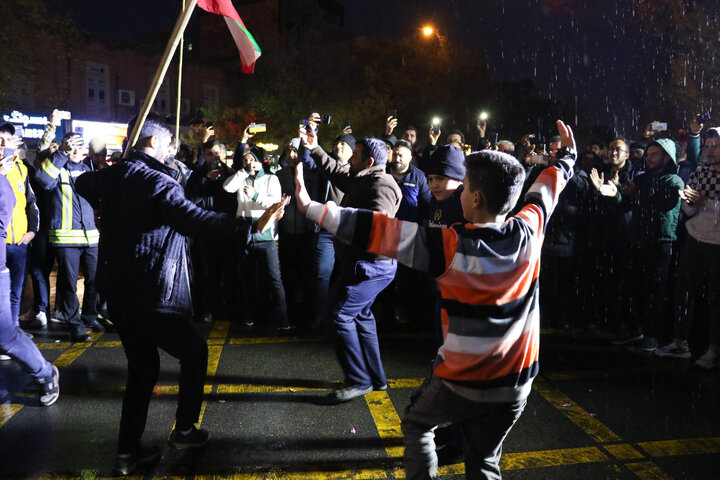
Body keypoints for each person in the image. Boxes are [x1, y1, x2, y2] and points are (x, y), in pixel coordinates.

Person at [296, 120, 578, 480]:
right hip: (515, 383)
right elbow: (545, 190)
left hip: (463, 379)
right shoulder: (530, 229)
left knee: (415, 423)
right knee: (485, 461)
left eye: (466, 187)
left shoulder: (450, 245)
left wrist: (311, 207)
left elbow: (381, 231)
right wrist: (566, 158)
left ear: (475, 198)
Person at [74, 113, 287, 476]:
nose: (174, 151)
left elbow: (83, 183)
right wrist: (250, 226)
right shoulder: (158, 183)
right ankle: (185, 430)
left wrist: (124, 172)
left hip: (119, 292)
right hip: (151, 290)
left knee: (143, 370)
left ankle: (127, 453)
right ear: (154, 143)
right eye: (170, 144)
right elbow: (193, 220)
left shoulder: (114, 175)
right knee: (193, 352)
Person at [299, 117, 401, 402]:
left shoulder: (381, 186)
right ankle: (376, 377)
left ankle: (359, 379)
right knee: (361, 316)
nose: (348, 159)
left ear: (368, 161)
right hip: (365, 264)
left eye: (354, 156)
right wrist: (316, 148)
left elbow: (377, 226)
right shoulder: (363, 178)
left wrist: (340, 227)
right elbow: (336, 172)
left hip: (370, 266)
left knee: (338, 316)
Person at [0, 140, 59, 406]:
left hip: (9, 254)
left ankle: (45, 373)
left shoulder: (11, 178)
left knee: (5, 336)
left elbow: (21, 206)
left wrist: (30, 233)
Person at [656, 126, 720, 368]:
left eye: (716, 146)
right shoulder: (701, 172)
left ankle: (714, 349)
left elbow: (709, 207)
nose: (711, 151)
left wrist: (707, 203)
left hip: (717, 244)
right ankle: (679, 342)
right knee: (683, 291)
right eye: (708, 146)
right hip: (694, 239)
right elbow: (690, 210)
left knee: (716, 298)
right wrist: (691, 202)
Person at [35, 132, 101, 342]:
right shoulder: (56, 167)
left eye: (78, 146)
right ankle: (74, 324)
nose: (75, 150)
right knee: (69, 285)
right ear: (65, 147)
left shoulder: (87, 169)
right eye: (71, 146)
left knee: (95, 280)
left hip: (91, 236)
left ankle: (90, 317)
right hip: (66, 239)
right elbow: (43, 180)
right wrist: (61, 153)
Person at [224, 144, 290, 331]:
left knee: (273, 277)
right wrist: (242, 172)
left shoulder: (271, 179)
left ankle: (282, 317)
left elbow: (275, 203)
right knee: (246, 276)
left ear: (260, 161)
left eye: (251, 159)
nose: (248, 162)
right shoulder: (241, 178)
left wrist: (255, 195)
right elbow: (227, 187)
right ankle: (248, 314)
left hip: (265, 233)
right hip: (243, 230)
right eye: (245, 159)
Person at [0, 123, 38, 338]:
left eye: (9, 141)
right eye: (1, 142)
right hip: (1, 244)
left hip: (20, 243)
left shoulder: (22, 169)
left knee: (17, 290)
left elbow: (31, 204)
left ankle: (14, 330)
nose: (5, 146)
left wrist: (31, 232)